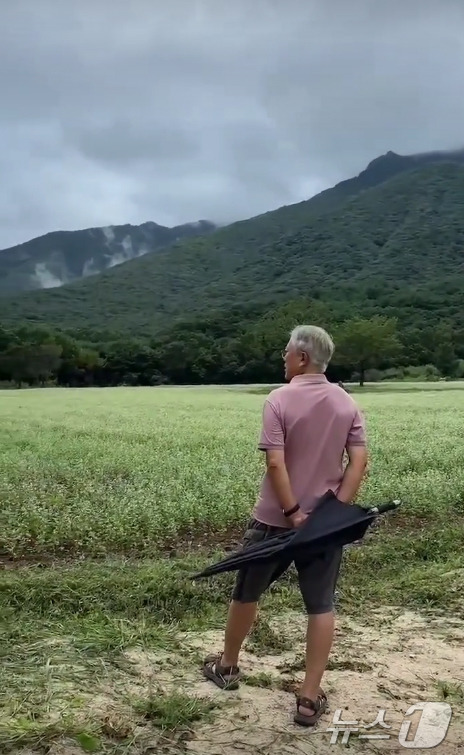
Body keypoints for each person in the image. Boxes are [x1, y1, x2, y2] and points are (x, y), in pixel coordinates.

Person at [202, 324, 368, 727]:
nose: (282, 358)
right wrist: (330, 516)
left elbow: (275, 463)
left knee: (246, 594)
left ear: (303, 357)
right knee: (321, 605)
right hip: (322, 531)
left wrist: (293, 513)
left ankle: (227, 668)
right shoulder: (347, 403)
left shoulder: (279, 399)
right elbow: (359, 463)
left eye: (286, 353)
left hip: (272, 522)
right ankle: (308, 698)